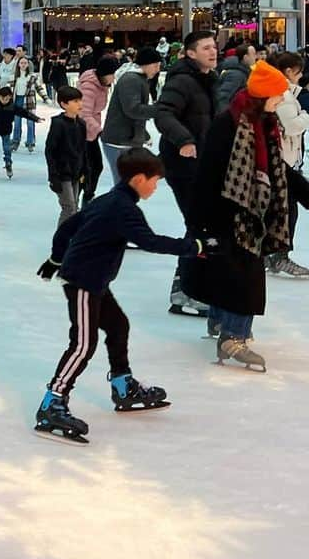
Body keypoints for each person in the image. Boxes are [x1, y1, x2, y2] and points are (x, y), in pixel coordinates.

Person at [33, 147, 201, 443]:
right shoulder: (123, 208)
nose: (156, 186)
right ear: (138, 179)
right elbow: (148, 241)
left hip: (93, 279)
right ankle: (52, 402)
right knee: (83, 344)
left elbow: (67, 228)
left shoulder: (109, 200)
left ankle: (123, 386)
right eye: (155, 180)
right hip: (84, 281)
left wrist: (56, 259)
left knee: (118, 325)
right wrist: (193, 248)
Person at [184, 60, 309, 371]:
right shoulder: (228, 125)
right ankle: (233, 337)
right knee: (245, 277)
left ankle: (220, 323)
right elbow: (207, 173)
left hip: (249, 211)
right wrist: (201, 221)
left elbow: (277, 168)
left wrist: (308, 196)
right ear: (262, 96)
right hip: (229, 212)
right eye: (277, 96)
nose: (281, 101)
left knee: (232, 272)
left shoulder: (263, 124)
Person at [154, 29, 220, 318]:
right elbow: (163, 113)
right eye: (205, 47)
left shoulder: (209, 80)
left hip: (203, 165)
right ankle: (185, 293)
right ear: (190, 53)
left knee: (202, 225)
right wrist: (184, 140)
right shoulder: (182, 80)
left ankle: (191, 287)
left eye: (214, 47)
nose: (212, 51)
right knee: (200, 225)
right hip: (184, 166)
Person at [267, 51, 309, 278]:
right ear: (288, 71)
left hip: (286, 159)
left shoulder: (287, 92)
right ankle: (279, 255)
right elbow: (292, 125)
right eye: (298, 71)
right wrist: (306, 116)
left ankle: (274, 253)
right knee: (286, 210)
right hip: (283, 160)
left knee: (284, 209)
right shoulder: (282, 94)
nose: (301, 75)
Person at [101, 47, 161, 185]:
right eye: (156, 65)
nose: (158, 69)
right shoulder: (132, 79)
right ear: (146, 64)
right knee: (125, 186)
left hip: (124, 140)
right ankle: (107, 207)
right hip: (119, 142)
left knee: (126, 186)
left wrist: (142, 134)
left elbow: (131, 113)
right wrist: (160, 109)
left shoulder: (137, 79)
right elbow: (133, 110)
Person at [77, 57, 118, 204]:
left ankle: (87, 196)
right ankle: (81, 198)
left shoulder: (102, 85)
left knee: (94, 167)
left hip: (90, 133)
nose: (114, 79)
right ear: (104, 73)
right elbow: (83, 114)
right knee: (88, 168)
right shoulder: (89, 87)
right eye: (112, 74)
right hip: (82, 133)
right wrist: (100, 131)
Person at [44, 85, 87, 225]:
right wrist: (53, 176)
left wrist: (85, 170)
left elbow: (82, 149)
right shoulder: (58, 124)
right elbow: (50, 151)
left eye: (80, 100)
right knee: (69, 208)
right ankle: (61, 241)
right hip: (62, 173)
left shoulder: (81, 124)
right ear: (64, 104)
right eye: (75, 101)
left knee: (74, 207)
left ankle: (71, 239)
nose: (80, 104)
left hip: (76, 171)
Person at [12, 54, 46, 152]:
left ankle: (30, 142)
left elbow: (39, 88)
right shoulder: (14, 77)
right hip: (17, 100)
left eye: (25, 63)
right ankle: (15, 141)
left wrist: (45, 98)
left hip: (29, 101)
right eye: (21, 63)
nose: (23, 65)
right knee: (17, 123)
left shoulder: (32, 77)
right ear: (18, 64)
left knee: (30, 122)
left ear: (28, 65)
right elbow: (9, 89)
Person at [215, 44, 256, 112]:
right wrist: (226, 117)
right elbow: (222, 97)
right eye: (253, 54)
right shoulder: (236, 75)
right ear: (245, 57)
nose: (256, 56)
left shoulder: (243, 71)